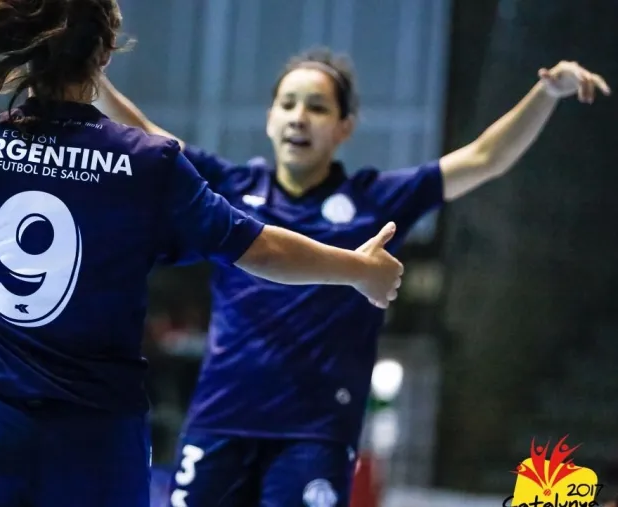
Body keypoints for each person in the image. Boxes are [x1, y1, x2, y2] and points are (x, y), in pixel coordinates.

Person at [0, 2, 407, 506]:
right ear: (105, 55)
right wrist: (357, 269)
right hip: (101, 443)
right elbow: (259, 248)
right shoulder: (149, 165)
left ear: (27, 49)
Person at [95, 48, 609, 507]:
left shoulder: (376, 200)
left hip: (313, 436)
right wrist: (89, 73)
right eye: (289, 104)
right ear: (271, 118)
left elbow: (484, 158)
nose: (300, 117)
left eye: (317, 107)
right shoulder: (231, 185)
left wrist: (546, 92)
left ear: (345, 126)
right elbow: (147, 138)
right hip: (219, 420)